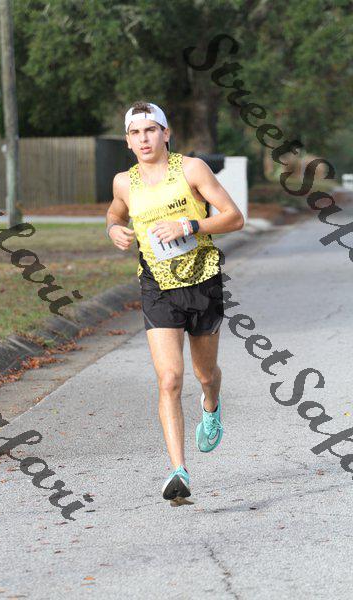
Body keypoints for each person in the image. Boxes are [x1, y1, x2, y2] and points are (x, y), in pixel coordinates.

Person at [106, 100, 244, 503]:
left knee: (205, 374)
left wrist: (190, 225)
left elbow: (234, 217)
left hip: (202, 281)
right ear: (128, 141)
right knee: (169, 378)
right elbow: (114, 214)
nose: (144, 139)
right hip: (157, 287)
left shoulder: (192, 170)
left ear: (166, 133)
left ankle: (211, 405)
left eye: (151, 130)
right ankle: (179, 471)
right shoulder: (123, 183)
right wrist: (113, 229)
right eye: (135, 133)